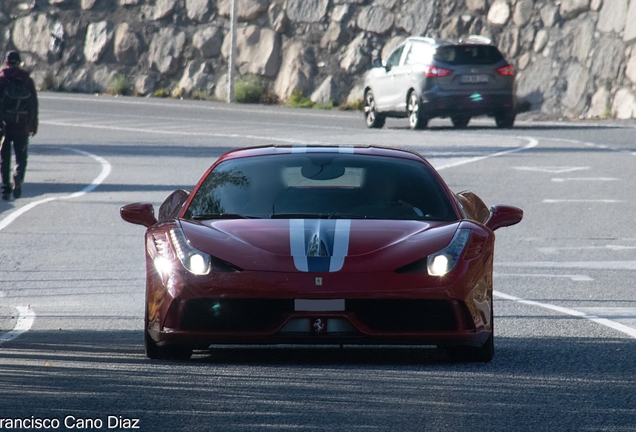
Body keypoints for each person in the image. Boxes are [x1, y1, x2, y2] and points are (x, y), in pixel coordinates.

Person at [0, 51, 38, 200]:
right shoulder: (27, 80)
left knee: (4, 157)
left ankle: (6, 188)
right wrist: (33, 124)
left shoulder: (2, 80)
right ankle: (19, 175)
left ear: (6, 63)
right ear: (20, 63)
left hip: (5, 125)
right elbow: (33, 104)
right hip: (22, 124)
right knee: (21, 155)